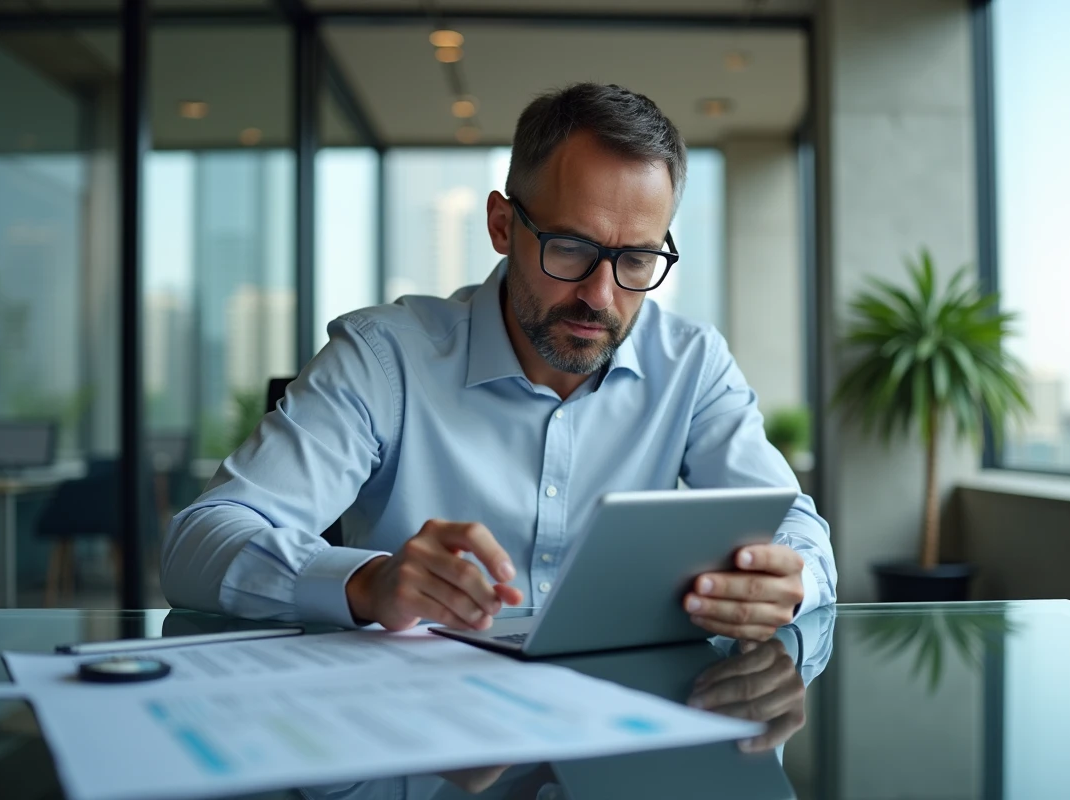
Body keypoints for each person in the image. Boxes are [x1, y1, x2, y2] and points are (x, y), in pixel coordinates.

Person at [161, 82, 837, 640]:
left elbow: (800, 533)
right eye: (571, 248)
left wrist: (788, 582)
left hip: (620, 718)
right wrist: (368, 582)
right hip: (419, 724)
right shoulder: (384, 358)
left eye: (636, 259)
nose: (600, 296)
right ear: (502, 226)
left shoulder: (691, 363)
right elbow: (198, 543)